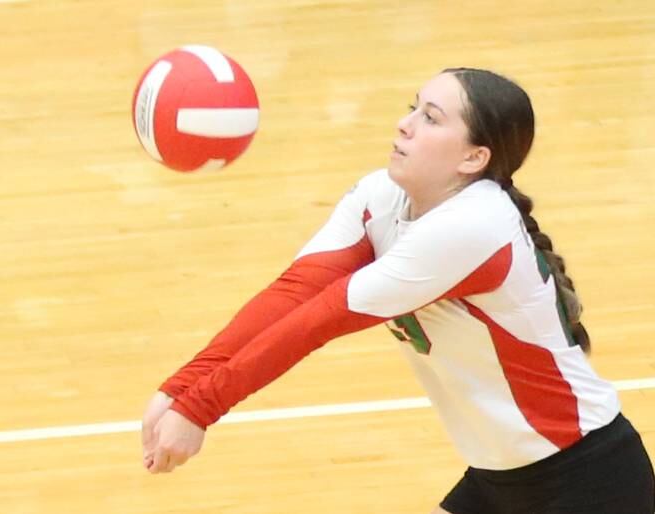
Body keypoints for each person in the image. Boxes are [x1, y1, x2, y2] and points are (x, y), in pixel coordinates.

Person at [139, 68, 655, 513]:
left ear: (474, 158)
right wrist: (181, 387)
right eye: (413, 108)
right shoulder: (382, 197)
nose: (404, 124)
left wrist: (200, 408)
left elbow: (321, 318)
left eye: (431, 118)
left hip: (586, 478)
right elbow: (293, 295)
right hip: (499, 476)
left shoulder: (474, 226)